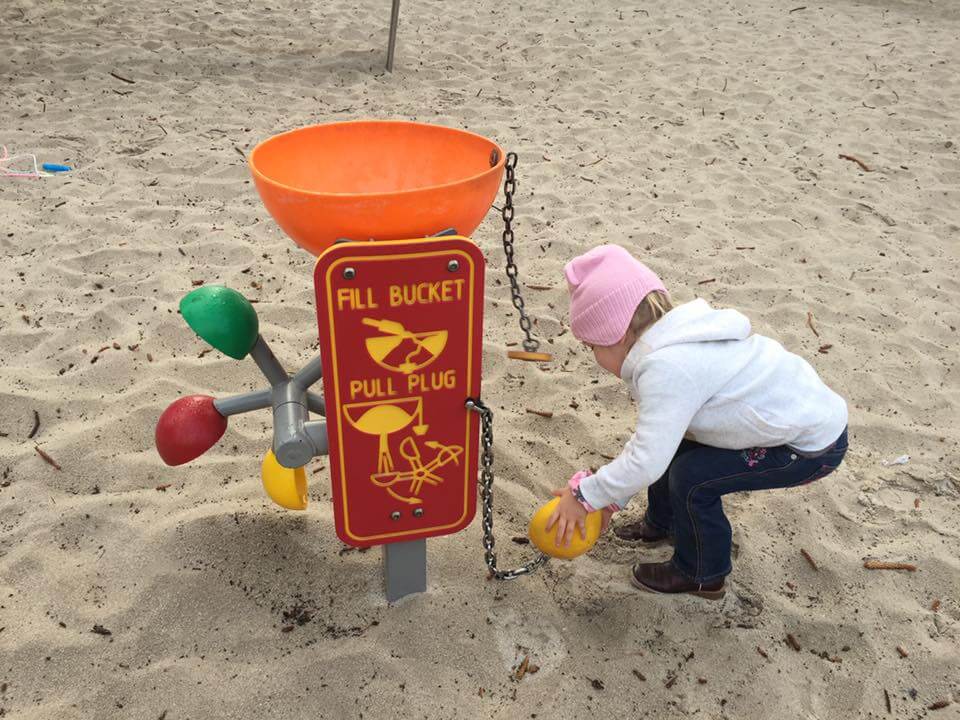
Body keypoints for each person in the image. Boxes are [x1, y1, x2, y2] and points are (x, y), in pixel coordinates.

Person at [547, 244, 848, 599]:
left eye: (591, 346)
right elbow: (654, 446)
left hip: (809, 445)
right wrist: (609, 500)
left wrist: (586, 497)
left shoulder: (667, 369)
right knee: (676, 450)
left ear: (617, 332)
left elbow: (645, 461)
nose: (594, 357)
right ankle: (664, 522)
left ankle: (703, 572)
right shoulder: (675, 339)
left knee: (693, 479)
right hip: (791, 418)